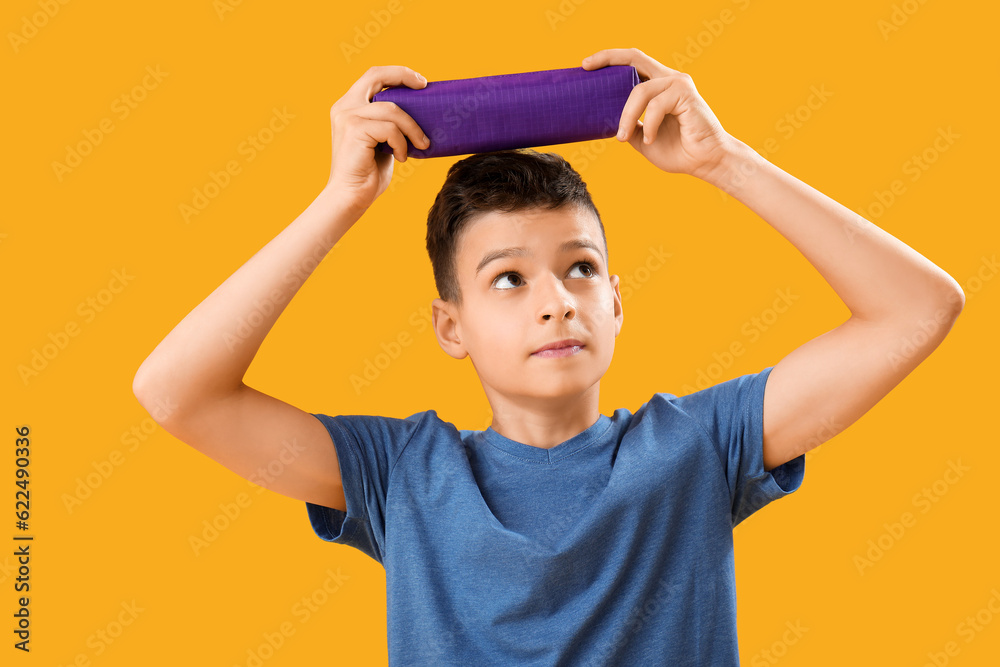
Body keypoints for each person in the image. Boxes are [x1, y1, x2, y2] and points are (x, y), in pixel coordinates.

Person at [132, 48, 965, 665]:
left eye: (580, 268)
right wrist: (339, 201)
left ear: (615, 302)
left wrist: (724, 160)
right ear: (449, 327)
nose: (555, 298)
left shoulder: (700, 447)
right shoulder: (403, 476)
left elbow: (919, 309)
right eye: (507, 279)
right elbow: (176, 392)